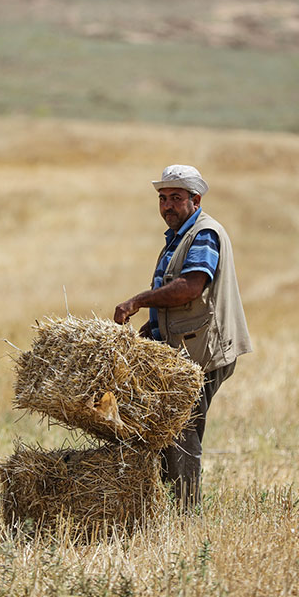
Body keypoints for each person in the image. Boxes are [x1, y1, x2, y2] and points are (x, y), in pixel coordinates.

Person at [113, 164, 252, 510]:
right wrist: (154, 326)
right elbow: (178, 296)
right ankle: (171, 505)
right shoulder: (178, 238)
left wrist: (138, 302)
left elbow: (189, 288)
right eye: (162, 199)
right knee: (171, 428)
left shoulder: (204, 233)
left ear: (196, 199)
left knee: (182, 430)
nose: (167, 206)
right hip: (186, 347)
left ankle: (187, 514)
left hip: (203, 352)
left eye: (176, 198)